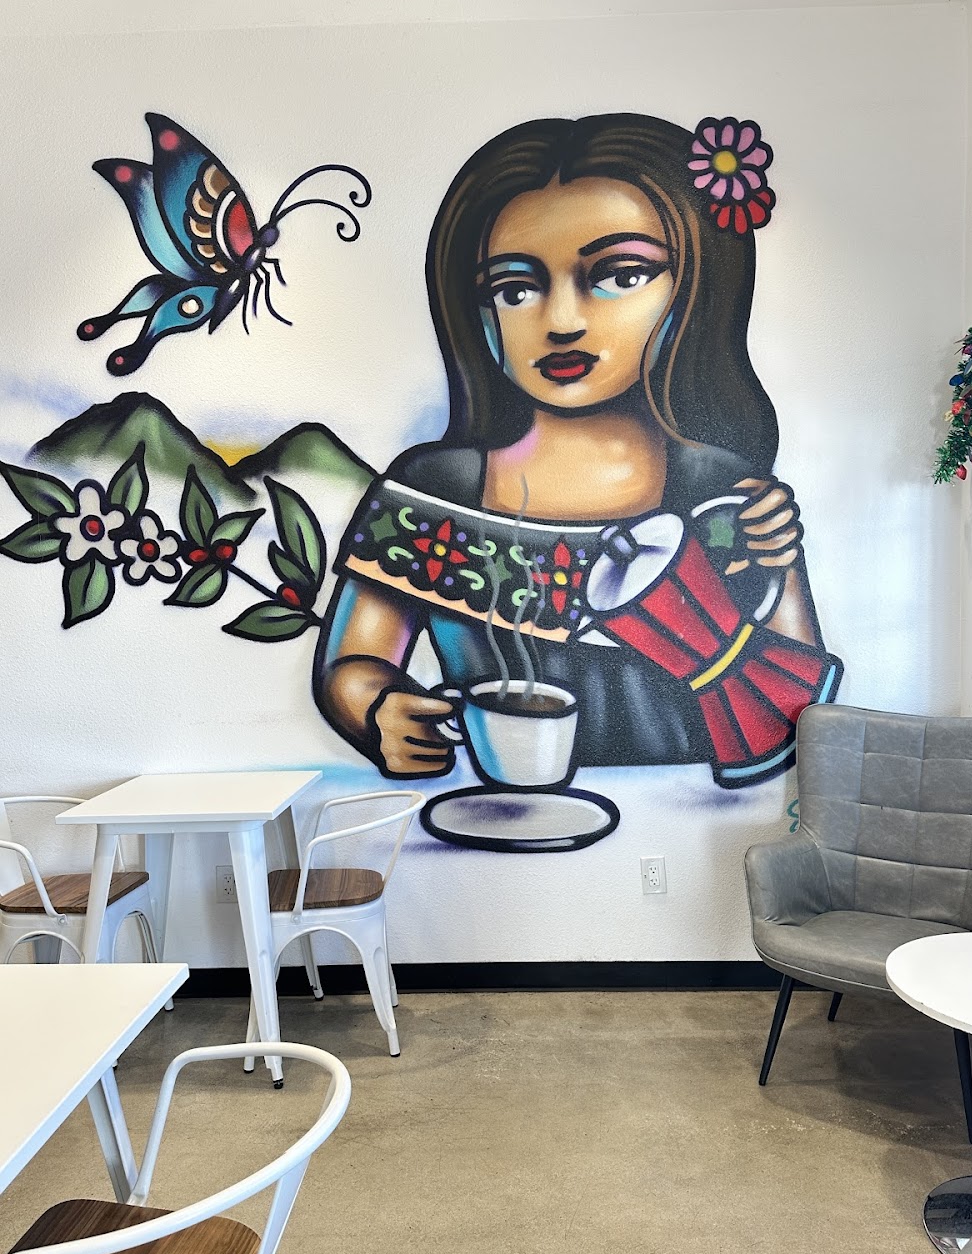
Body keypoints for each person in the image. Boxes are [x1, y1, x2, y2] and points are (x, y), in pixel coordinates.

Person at [313, 113, 838, 785]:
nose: (561, 322)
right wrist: (379, 710)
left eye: (619, 275)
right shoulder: (432, 488)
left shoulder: (725, 491)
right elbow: (354, 663)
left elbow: (793, 694)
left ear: (694, 288)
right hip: (498, 821)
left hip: (697, 821)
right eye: (515, 289)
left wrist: (777, 563)